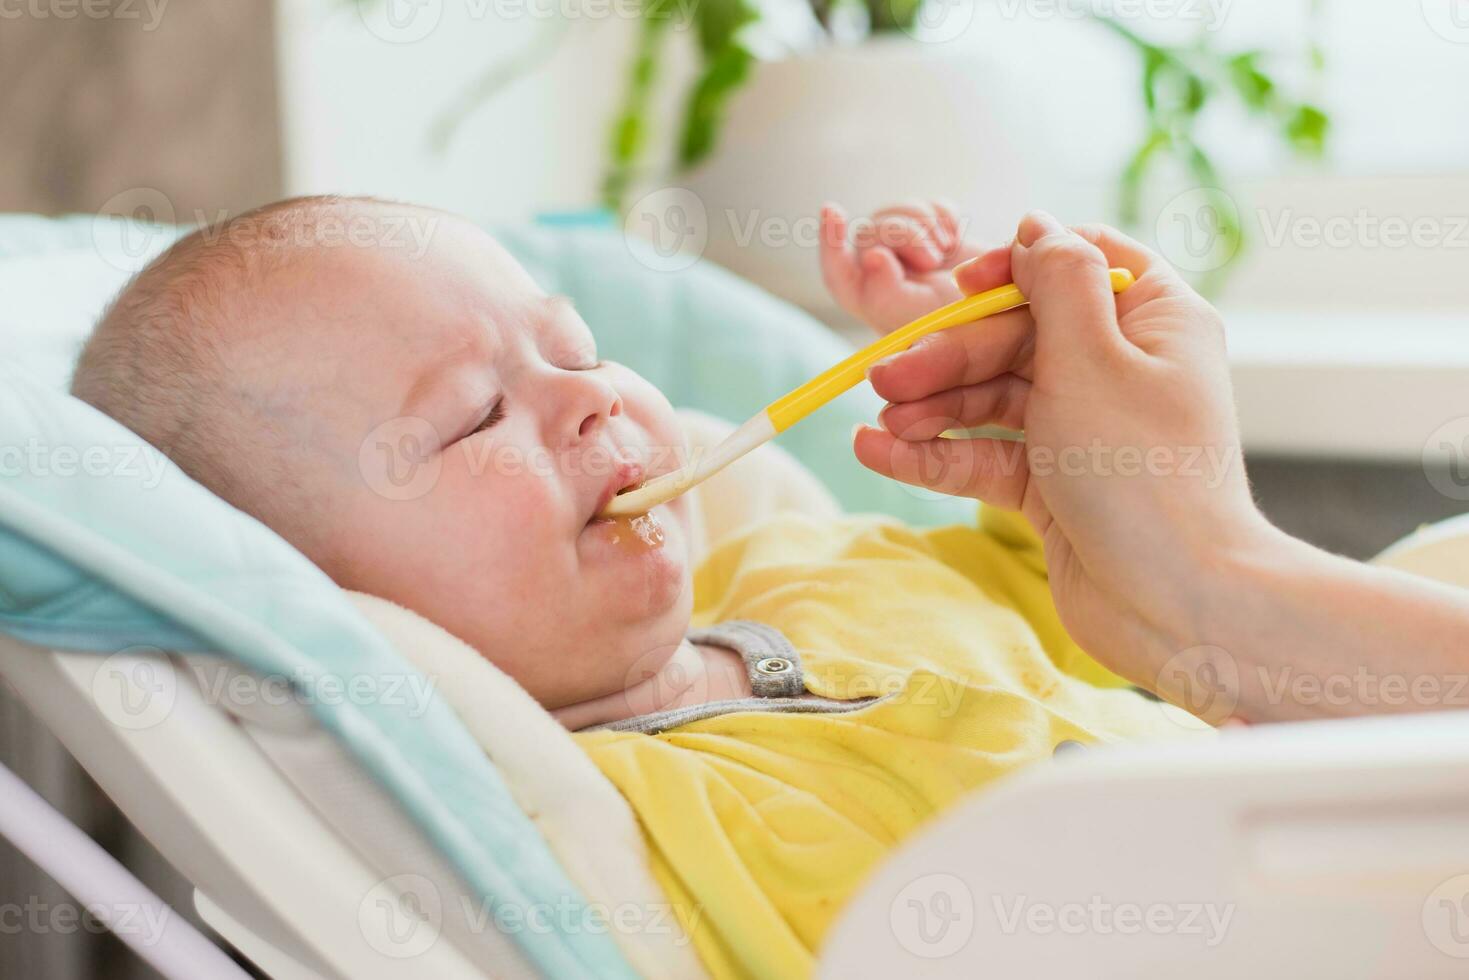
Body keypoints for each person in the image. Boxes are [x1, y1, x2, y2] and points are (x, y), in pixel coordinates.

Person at [824, 206, 1469, 725]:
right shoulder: (756, 552)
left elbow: (1055, 570)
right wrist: (1209, 565)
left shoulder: (811, 547)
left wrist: (980, 355)